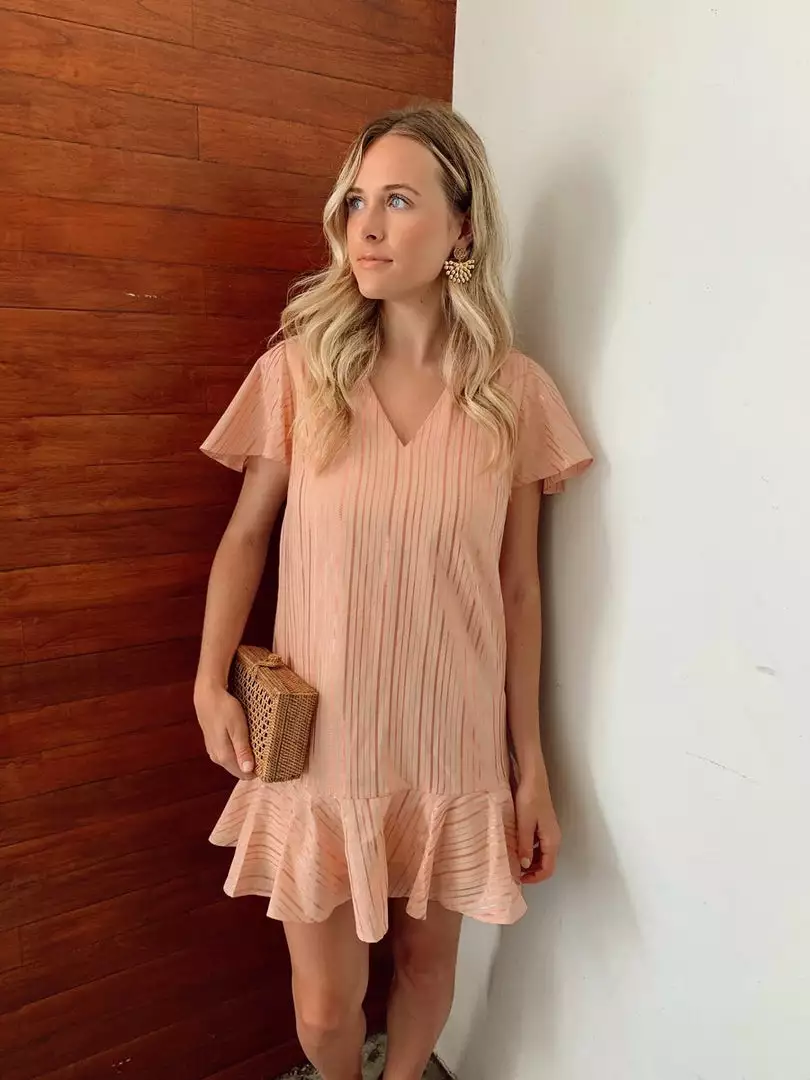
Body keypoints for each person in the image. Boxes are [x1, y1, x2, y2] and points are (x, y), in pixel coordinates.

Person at [194, 101, 593, 1080]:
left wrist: (530, 768)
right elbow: (245, 535)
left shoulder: (514, 394)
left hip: (451, 743)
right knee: (326, 1008)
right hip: (324, 751)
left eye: (399, 201)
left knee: (426, 965)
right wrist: (207, 683)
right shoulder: (301, 374)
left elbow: (519, 590)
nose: (366, 227)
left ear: (462, 230)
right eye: (356, 202)